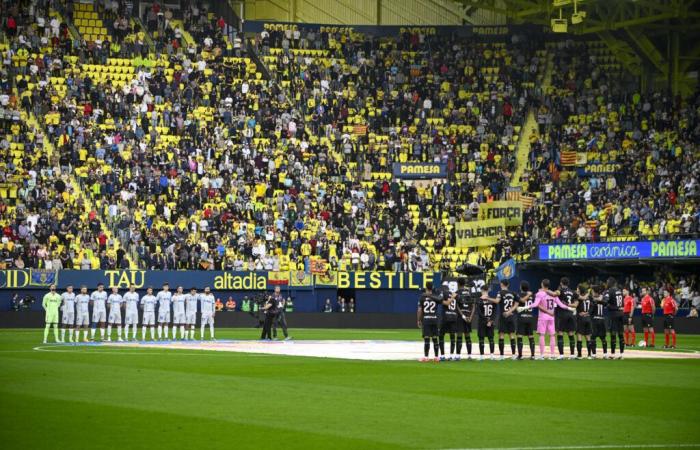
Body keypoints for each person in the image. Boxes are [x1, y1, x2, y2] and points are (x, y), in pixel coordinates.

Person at [519, 279, 575, 360]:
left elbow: (535, 304)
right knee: (552, 335)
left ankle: (542, 355)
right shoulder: (553, 294)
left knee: (542, 335)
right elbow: (561, 305)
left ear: (542, 284)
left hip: (543, 317)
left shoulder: (539, 294)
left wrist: (524, 307)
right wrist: (570, 308)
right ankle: (552, 355)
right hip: (551, 317)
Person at [548, 277, 578, 359]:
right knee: (571, 334)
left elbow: (554, 294)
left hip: (561, 314)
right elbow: (575, 305)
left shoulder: (560, 290)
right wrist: (569, 305)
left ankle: (561, 355)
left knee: (560, 333)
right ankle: (572, 355)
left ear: (561, 283)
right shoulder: (573, 292)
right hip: (571, 314)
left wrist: (546, 290)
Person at [493, 279, 519, 360]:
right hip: (510, 316)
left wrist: (488, 298)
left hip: (503, 316)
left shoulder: (500, 293)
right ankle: (514, 355)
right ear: (508, 285)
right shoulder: (513, 293)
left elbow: (497, 301)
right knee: (512, 335)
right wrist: (510, 311)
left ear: (501, 284)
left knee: (501, 335)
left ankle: (501, 356)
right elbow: (517, 303)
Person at [417, 282, 441, 362]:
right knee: (435, 338)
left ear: (426, 287)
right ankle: (436, 357)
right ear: (432, 287)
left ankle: (426, 357)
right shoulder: (435, 297)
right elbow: (440, 300)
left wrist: (419, 319)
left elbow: (420, 310)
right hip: (434, 318)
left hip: (426, 319)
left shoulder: (422, 297)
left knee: (426, 338)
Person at [455, 278, 475, 360]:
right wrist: (470, 317)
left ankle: (458, 355)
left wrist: (463, 316)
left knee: (459, 335)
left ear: (458, 284)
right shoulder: (469, 292)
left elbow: (456, 306)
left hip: (461, 316)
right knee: (467, 335)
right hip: (468, 315)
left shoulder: (457, 293)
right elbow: (473, 305)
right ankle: (469, 355)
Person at [605, 277, 625, 359]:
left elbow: (605, 301)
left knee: (613, 334)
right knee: (620, 334)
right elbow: (622, 303)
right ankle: (621, 354)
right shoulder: (619, 291)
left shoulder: (609, 291)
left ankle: (613, 354)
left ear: (610, 283)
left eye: (607, 282)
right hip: (621, 314)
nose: (606, 283)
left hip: (613, 314)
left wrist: (608, 305)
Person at [439, 288, 460, 361]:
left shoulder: (444, 293)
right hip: (454, 317)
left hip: (446, 317)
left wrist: (451, 298)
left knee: (441, 336)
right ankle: (451, 355)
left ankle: (442, 355)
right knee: (452, 337)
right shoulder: (454, 294)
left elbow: (445, 303)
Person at [515, 281, 535, 359]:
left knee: (520, 335)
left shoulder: (519, 295)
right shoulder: (532, 296)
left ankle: (520, 355)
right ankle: (533, 355)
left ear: (521, 287)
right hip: (530, 317)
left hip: (522, 317)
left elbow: (521, 301)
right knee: (531, 336)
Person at [477, 285, 497, 360]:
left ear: (481, 290)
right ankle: (492, 356)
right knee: (491, 338)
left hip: (482, 321)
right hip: (490, 322)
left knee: (481, 339)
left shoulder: (479, 300)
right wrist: (490, 320)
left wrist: (486, 320)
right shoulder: (492, 300)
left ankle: (481, 356)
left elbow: (479, 313)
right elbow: (495, 312)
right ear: (488, 290)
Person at [575, 285, 593, 359]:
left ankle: (579, 355)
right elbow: (592, 307)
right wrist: (587, 313)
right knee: (588, 337)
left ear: (580, 290)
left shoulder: (578, 297)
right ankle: (589, 355)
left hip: (580, 318)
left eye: (577, 289)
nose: (577, 290)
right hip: (588, 318)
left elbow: (576, 305)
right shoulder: (589, 298)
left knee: (579, 336)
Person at [591, 286, 609, 359]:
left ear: (595, 292)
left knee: (593, 338)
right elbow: (605, 303)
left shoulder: (592, 299)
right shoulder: (603, 298)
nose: (591, 292)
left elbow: (591, 310)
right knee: (603, 338)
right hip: (602, 320)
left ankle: (594, 354)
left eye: (592, 291)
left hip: (595, 320)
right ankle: (605, 354)